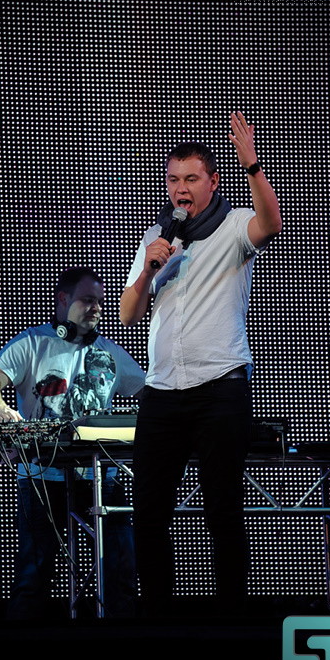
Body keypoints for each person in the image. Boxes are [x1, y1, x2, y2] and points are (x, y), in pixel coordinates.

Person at [120, 111, 282, 618]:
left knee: (221, 508)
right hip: (163, 391)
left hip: (219, 389)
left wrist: (252, 164)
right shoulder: (158, 236)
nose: (180, 188)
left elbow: (271, 224)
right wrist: (149, 272)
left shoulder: (234, 226)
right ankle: (159, 617)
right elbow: (127, 315)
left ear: (212, 182)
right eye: (173, 179)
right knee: (149, 512)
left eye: (191, 179)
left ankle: (230, 618)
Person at [0, 266, 145, 620]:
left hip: (101, 478)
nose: (96, 308)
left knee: (121, 572)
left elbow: (151, 393)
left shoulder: (110, 352)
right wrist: (2, 409)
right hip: (41, 477)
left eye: (100, 301)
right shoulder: (31, 343)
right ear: (63, 300)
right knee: (33, 576)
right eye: (87, 300)